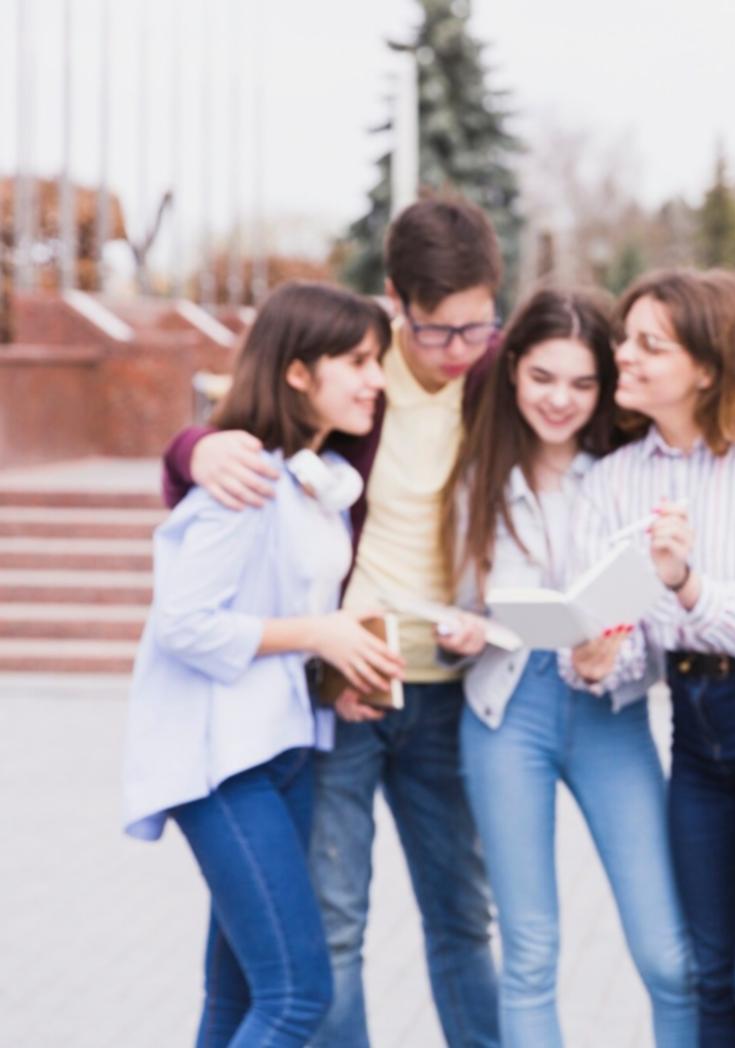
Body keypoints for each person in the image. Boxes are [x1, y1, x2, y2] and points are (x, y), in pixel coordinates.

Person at [161, 197, 505, 1047]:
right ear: (397, 301)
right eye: (436, 332)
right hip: (341, 690)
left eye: (476, 327)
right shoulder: (355, 373)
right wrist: (190, 449)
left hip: (452, 690)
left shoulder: (496, 371)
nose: (458, 351)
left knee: (463, 917)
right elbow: (245, 446)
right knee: (331, 931)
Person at [566, 268, 735, 1047]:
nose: (624, 354)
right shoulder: (613, 483)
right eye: (626, 338)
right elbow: (615, 647)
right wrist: (592, 657)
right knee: (709, 974)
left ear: (708, 367)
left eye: (649, 344)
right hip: (694, 725)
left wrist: (682, 582)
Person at [123, 283, 402, 1047]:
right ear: (297, 371)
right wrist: (322, 631)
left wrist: (335, 666)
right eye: (357, 360)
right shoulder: (240, 478)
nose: (375, 378)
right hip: (223, 764)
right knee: (296, 996)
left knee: (237, 993)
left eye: (376, 360)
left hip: (284, 748)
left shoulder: (312, 477)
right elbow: (183, 625)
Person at [437, 286, 700, 1046]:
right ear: (513, 368)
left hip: (609, 715)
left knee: (667, 956)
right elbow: (465, 599)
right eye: (544, 377)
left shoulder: (631, 472)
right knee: (530, 952)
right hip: (503, 715)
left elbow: (663, 603)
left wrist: (616, 644)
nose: (561, 400)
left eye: (583, 383)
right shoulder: (477, 473)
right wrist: (464, 630)